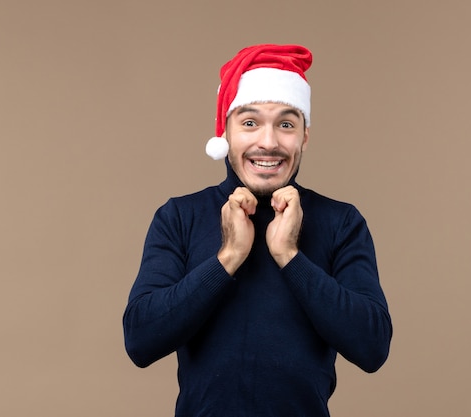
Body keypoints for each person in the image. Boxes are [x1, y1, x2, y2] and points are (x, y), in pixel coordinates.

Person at [123, 43, 392, 417]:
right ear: (226, 134)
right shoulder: (179, 217)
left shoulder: (341, 222)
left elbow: (372, 347)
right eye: (249, 123)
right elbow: (140, 340)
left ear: (305, 137)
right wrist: (228, 258)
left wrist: (290, 256)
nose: (268, 142)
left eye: (286, 124)